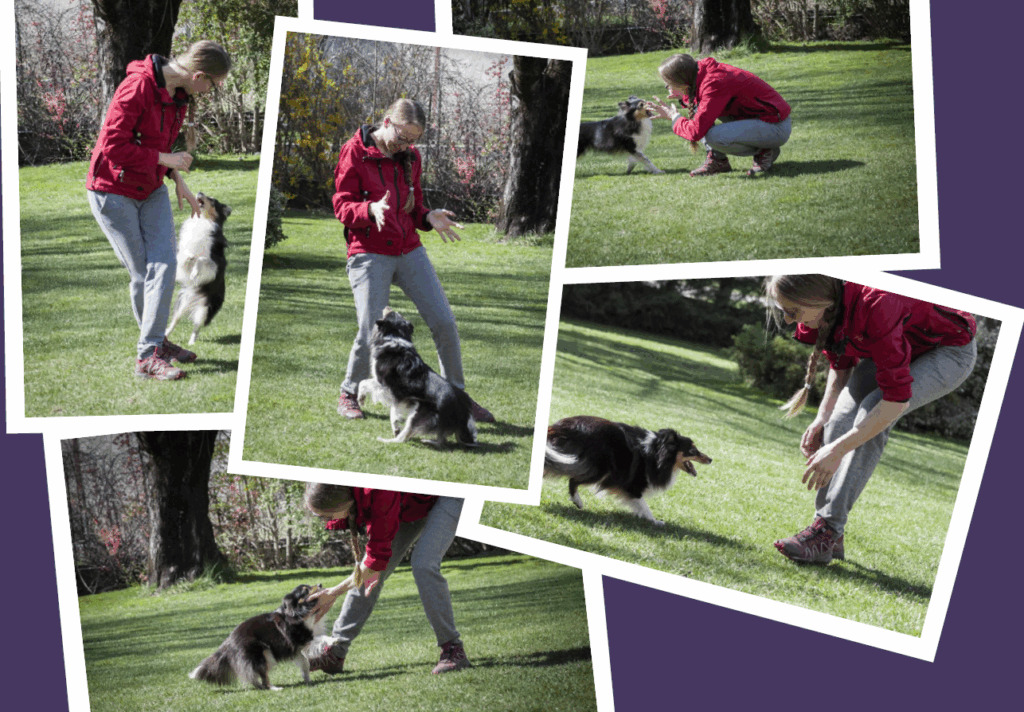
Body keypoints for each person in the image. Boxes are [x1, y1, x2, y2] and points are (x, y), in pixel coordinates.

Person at [765, 275, 977, 564]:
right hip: (898, 344)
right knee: (840, 421)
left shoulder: (877, 304)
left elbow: (893, 402)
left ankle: (825, 530)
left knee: (872, 413)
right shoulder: (827, 314)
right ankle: (829, 536)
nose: (789, 321)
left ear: (820, 301)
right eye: (784, 311)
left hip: (948, 351)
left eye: (793, 312)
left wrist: (837, 449)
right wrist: (822, 418)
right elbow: (840, 370)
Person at [332, 98, 494, 423]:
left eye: (413, 140)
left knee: (445, 323)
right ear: (388, 122)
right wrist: (369, 210)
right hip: (368, 252)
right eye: (403, 137)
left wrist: (428, 216)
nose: (407, 145)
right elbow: (341, 205)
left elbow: (414, 206)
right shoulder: (355, 151)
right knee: (369, 331)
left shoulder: (411, 157)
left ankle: (455, 397)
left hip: (408, 250)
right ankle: (349, 394)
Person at [87, 40, 231, 380]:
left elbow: (157, 145)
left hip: (150, 189)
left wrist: (174, 176)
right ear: (198, 75)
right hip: (112, 191)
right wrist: (165, 160)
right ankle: (149, 355)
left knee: (164, 267)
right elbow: (113, 146)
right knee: (145, 273)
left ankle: (154, 346)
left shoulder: (179, 98)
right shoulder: (137, 87)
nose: (209, 91)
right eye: (212, 84)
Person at [303, 483, 470, 674]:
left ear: (342, 503)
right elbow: (369, 569)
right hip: (411, 503)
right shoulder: (360, 497)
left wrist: (333, 592)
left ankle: (453, 648)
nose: (325, 521)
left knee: (423, 563)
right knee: (368, 577)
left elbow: (374, 560)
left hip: (447, 493)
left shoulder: (380, 493)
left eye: (324, 516)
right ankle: (336, 652)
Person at [650, 53, 791, 177]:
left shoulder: (714, 82)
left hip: (775, 127)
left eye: (668, 84)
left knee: (714, 137)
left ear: (681, 82)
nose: (667, 88)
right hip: (758, 120)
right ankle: (718, 161)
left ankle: (765, 149)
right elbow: (701, 107)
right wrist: (682, 96)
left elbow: (696, 131)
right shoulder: (700, 75)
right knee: (704, 116)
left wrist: (674, 117)